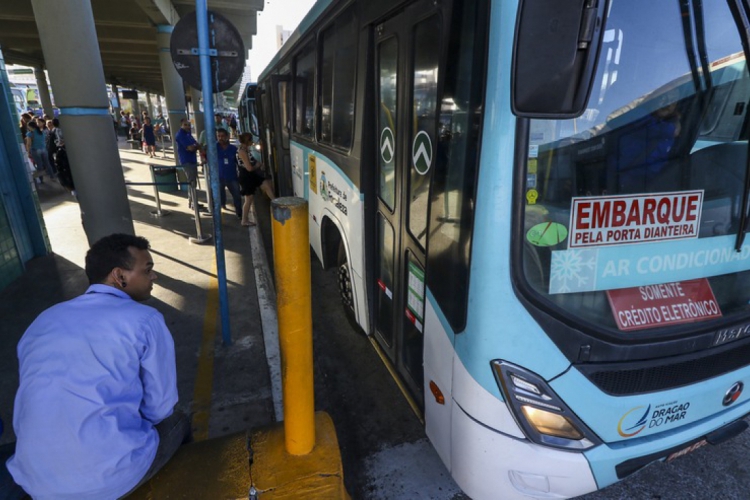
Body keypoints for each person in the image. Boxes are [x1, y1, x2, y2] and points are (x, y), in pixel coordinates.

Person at [2, 234, 190, 499]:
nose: (154, 277)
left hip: (33, 479)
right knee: (178, 420)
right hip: (108, 479)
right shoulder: (145, 320)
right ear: (119, 276)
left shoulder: (44, 319)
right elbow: (159, 409)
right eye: (147, 270)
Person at [237, 133, 275, 226]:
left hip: (251, 175)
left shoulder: (246, 149)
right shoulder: (242, 151)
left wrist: (260, 164)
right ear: (247, 141)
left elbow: (253, 161)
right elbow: (249, 168)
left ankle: (276, 203)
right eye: (251, 140)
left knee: (266, 184)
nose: (252, 141)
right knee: (249, 199)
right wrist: (257, 166)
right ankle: (244, 220)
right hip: (246, 176)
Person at [174, 118, 203, 209]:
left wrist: (195, 146)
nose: (187, 126)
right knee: (192, 182)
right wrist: (195, 147)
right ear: (181, 125)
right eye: (185, 125)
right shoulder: (180, 135)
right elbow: (191, 147)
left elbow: (197, 145)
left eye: (189, 125)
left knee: (193, 182)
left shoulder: (188, 134)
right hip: (186, 161)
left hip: (192, 160)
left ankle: (192, 202)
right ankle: (193, 203)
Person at [216, 128, 242, 220]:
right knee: (219, 195)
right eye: (218, 136)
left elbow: (238, 163)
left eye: (222, 136)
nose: (220, 138)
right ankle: (222, 206)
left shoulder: (233, 149)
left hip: (232, 176)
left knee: (237, 195)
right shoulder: (214, 148)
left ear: (227, 137)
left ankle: (239, 213)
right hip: (219, 176)